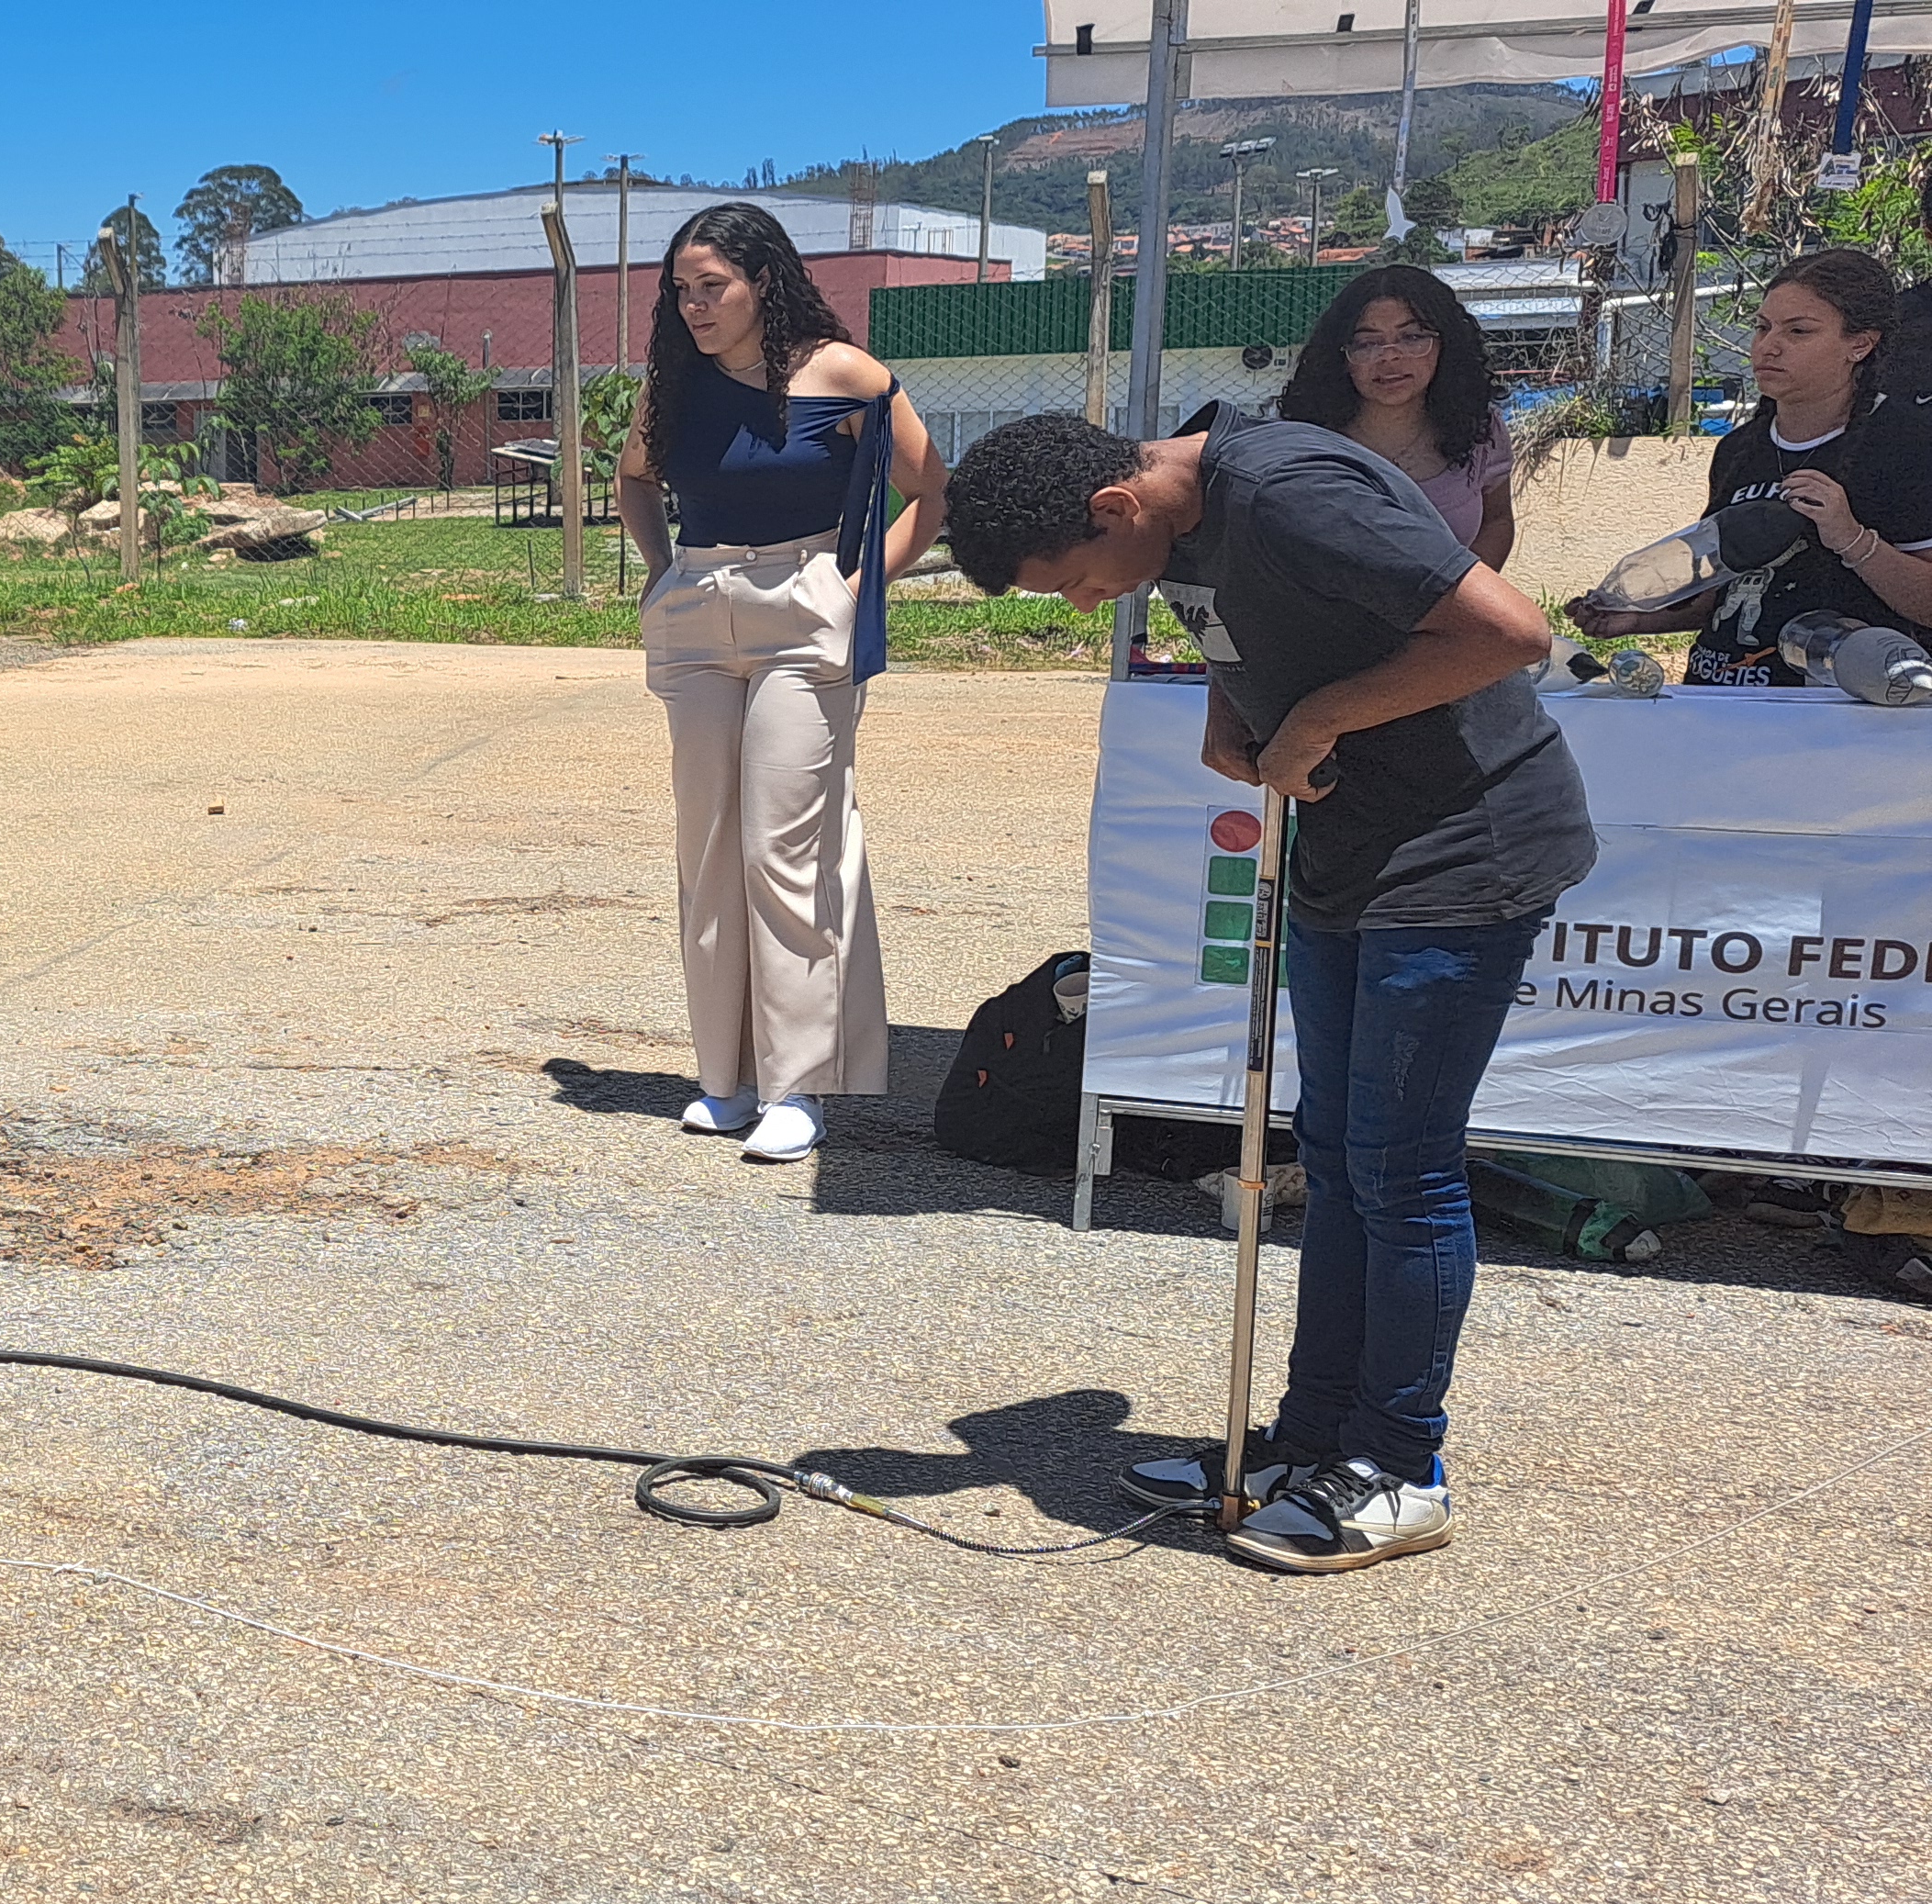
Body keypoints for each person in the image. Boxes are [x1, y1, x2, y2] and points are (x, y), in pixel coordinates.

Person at [946, 404, 1591, 1574]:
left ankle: (1400, 1467)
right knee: (1333, 1153)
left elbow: (1510, 631)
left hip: (1461, 849)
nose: (1087, 606)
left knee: (1401, 1168)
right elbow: (1245, 628)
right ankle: (1308, 1442)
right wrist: (1228, 705)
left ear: (1112, 506)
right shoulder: (1169, 510)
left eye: (1078, 581)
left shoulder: (1293, 495)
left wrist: (1319, 717)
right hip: (1346, 848)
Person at [611, 203, 947, 1165]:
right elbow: (635, 477)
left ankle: (800, 1085)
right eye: (681, 289)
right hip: (697, 612)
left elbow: (930, 489)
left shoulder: (842, 373)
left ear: (763, 280)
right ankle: (725, 1078)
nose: (694, 305)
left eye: (712, 286)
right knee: (708, 843)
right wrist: (659, 568)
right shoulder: (671, 384)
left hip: (804, 610)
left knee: (785, 842)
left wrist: (860, 584)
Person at [1572, 247, 1932, 685]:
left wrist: (1852, 539)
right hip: (1718, 693)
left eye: (1798, 331)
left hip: (1833, 708)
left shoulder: (1907, 441)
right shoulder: (1740, 447)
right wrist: (1638, 619)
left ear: (1860, 344)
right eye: (1763, 327)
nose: (1769, 346)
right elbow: (1721, 594)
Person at [1274, 263, 1515, 571]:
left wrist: (1459, 596)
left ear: (1446, 344)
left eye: (1412, 337)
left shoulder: (1479, 429)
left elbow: (1497, 520)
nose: (1389, 355)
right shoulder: (1301, 439)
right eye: (1367, 343)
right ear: (1341, 355)